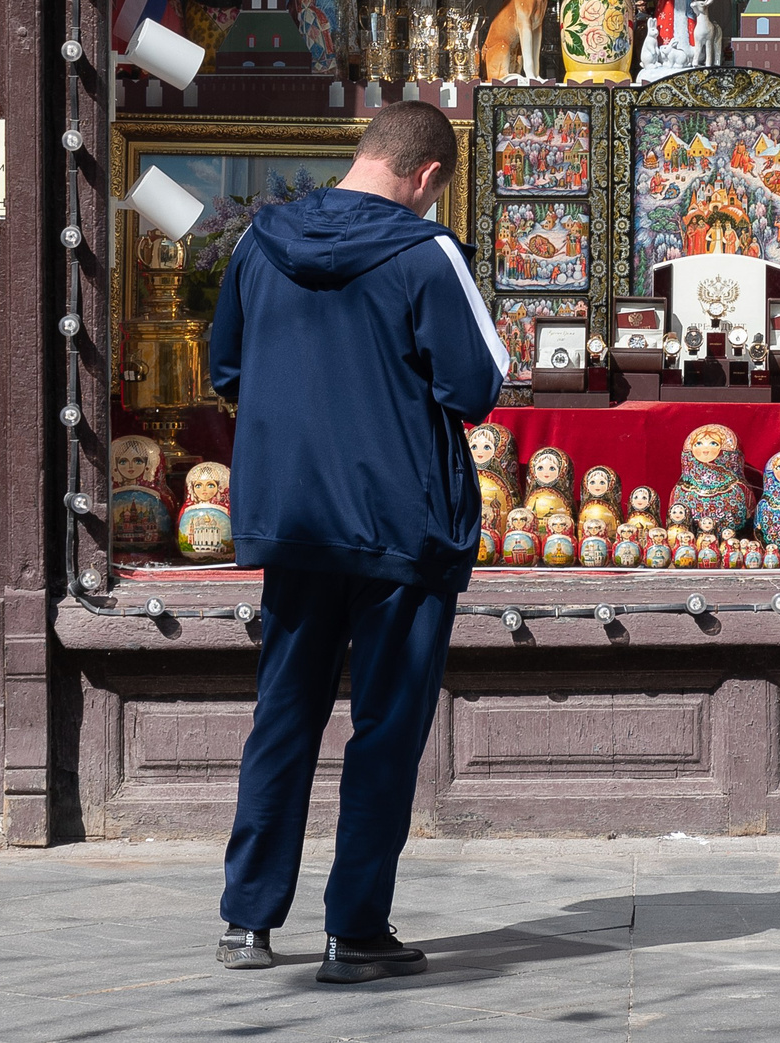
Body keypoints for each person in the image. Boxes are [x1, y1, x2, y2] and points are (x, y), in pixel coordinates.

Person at [211, 100, 508, 984]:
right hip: (401, 527)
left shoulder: (257, 243)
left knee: (284, 713)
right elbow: (477, 385)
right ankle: (356, 929)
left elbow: (227, 368)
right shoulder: (427, 251)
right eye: (434, 191)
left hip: (294, 520)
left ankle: (248, 920)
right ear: (426, 176)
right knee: (384, 729)